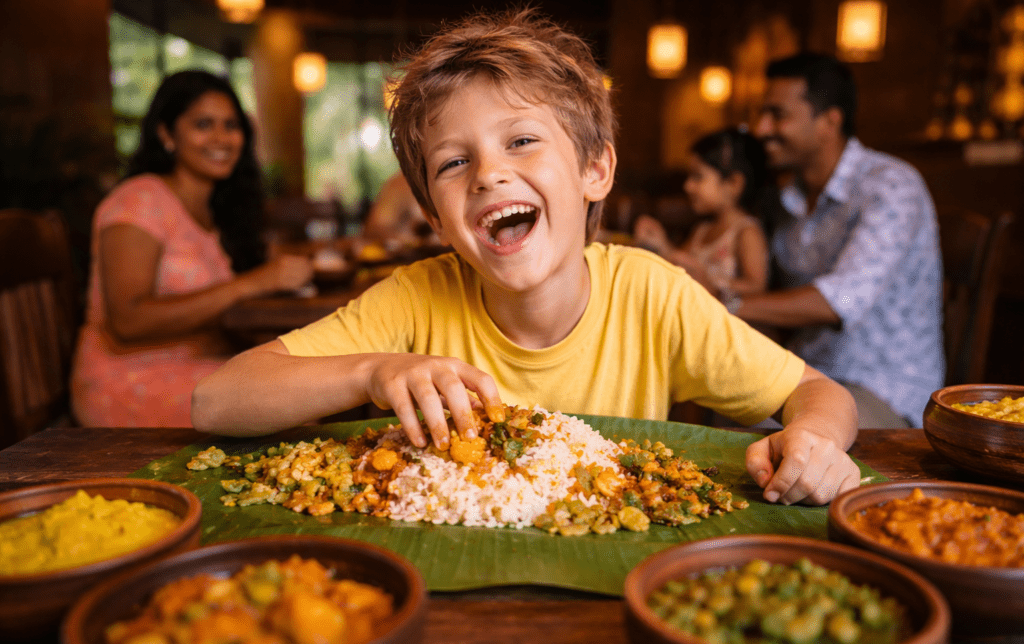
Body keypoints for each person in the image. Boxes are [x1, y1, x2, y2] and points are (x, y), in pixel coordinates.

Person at [193, 10, 861, 506]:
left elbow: (818, 392)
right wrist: (372, 369)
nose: (488, 174)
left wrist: (816, 443)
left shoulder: (653, 295)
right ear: (435, 219)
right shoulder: (415, 297)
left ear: (594, 169)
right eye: (453, 162)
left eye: (521, 140)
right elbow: (216, 400)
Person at [70, 70, 314, 428]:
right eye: (204, 124)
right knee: (299, 401)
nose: (223, 138)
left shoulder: (214, 210)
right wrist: (255, 282)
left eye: (231, 125)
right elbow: (128, 321)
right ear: (166, 134)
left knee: (313, 380)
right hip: (129, 381)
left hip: (203, 365)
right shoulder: (139, 200)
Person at [731, 52, 944, 429]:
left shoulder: (890, 185)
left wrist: (722, 304)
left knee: (756, 437)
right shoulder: (789, 197)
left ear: (829, 122)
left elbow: (838, 301)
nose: (761, 129)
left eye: (777, 115)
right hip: (808, 375)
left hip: (883, 388)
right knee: (718, 407)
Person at [632, 128, 770, 301]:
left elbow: (756, 287)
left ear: (733, 183)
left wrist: (712, 284)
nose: (688, 186)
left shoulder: (746, 232)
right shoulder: (702, 231)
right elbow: (680, 267)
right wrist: (661, 244)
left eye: (698, 177)